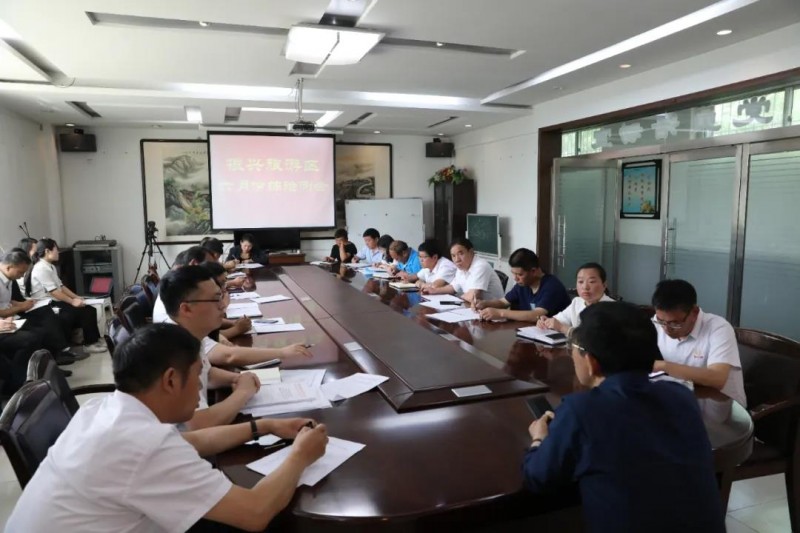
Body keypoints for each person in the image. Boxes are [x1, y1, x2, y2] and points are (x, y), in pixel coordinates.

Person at [6, 323, 328, 533]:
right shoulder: (143, 444)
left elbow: (193, 442)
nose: (200, 387)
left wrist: (265, 426)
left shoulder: (104, 410)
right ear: (171, 380)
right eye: (198, 375)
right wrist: (301, 455)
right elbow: (255, 512)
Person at [522, 302, 725, 533]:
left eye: (573, 347)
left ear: (591, 362)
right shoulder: (681, 396)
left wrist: (539, 438)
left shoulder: (582, 410)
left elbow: (538, 477)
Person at [160, 266, 310, 428]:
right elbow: (199, 425)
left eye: (221, 296)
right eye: (215, 299)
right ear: (186, 309)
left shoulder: (189, 333)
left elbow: (207, 373)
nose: (222, 306)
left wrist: (236, 378)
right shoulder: (174, 353)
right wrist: (243, 392)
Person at [651, 279, 746, 407]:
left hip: (722, 409)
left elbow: (717, 378)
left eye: (675, 323)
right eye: (661, 321)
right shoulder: (655, 324)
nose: (666, 329)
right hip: (680, 400)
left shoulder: (718, 328)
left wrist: (662, 366)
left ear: (694, 312)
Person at [0, 250, 83, 367]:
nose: (22, 276)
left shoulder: (7, 279)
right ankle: (31, 371)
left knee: (46, 313)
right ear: (9, 267)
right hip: (5, 321)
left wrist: (21, 304)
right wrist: (20, 307)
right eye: (20, 272)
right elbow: (1, 311)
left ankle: (56, 357)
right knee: (38, 333)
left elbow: (5, 301)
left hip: (11, 315)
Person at [24, 238, 106, 353]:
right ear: (47, 251)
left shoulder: (50, 266)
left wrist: (76, 297)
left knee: (89, 309)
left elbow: (61, 286)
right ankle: (89, 344)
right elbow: (54, 292)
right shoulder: (41, 268)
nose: (58, 252)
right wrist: (72, 302)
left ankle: (92, 340)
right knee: (82, 312)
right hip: (47, 304)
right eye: (56, 249)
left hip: (55, 300)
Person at [476, 248, 570, 322]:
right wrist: (484, 304)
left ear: (533, 271)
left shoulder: (552, 286)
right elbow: (503, 302)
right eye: (513, 274)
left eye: (520, 274)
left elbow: (536, 315)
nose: (515, 278)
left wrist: (500, 313)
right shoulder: (523, 284)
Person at [537, 262, 613, 334]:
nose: (585, 287)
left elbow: (592, 337)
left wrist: (562, 328)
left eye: (591, 282)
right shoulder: (577, 302)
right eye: (580, 282)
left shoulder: (612, 308)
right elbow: (559, 320)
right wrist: (546, 322)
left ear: (604, 285)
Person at [422, 238, 505, 304]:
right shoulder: (462, 268)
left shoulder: (480, 266)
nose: (457, 260)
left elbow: (473, 297)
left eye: (461, 254)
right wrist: (433, 291)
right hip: (474, 309)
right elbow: (453, 287)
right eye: (453, 256)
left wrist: (459, 297)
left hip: (493, 314)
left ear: (471, 252)